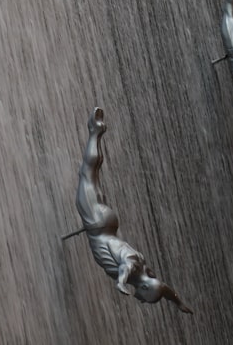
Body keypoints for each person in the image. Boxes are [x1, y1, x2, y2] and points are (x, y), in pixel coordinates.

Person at [72, 107, 193, 313]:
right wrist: (120, 282)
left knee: (92, 176)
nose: (143, 301)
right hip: (97, 223)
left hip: (105, 223)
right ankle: (95, 131)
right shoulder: (134, 268)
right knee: (87, 172)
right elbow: (125, 267)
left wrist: (178, 302)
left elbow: (163, 289)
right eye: (146, 298)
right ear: (145, 287)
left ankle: (96, 133)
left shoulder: (142, 268)